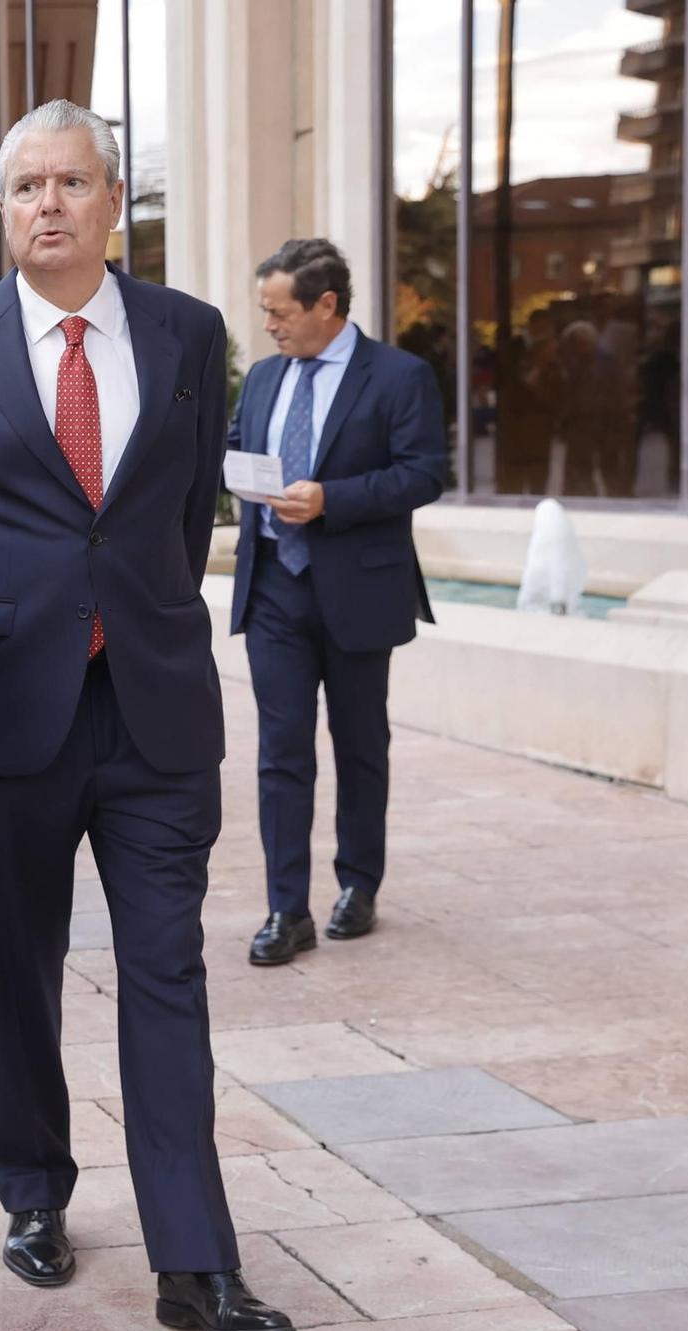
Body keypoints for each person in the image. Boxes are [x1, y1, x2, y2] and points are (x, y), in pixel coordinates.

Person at [0, 100, 292, 1329]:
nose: (47, 205)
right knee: (16, 971)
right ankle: (30, 1188)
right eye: (24, 188)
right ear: (2, 208)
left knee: (165, 969)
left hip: (154, 712)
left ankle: (194, 1259)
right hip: (9, 714)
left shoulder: (186, 332)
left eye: (70, 182)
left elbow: (174, 526)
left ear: (114, 199)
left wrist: (126, 615)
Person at [230, 238, 446, 967]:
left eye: (280, 310)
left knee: (360, 748)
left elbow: (423, 474)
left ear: (327, 304)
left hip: (359, 589)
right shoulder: (262, 378)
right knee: (280, 752)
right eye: (265, 310)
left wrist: (333, 500)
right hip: (274, 593)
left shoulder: (399, 375)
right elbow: (233, 444)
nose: (269, 325)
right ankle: (286, 908)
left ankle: (359, 882)